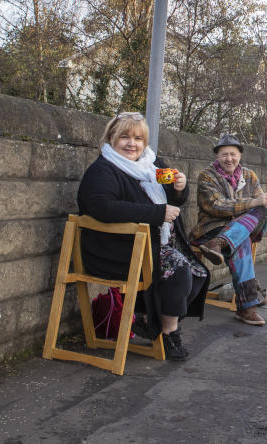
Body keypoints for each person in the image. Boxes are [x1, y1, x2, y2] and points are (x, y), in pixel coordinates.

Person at [77, 112, 208, 361]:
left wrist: (180, 188)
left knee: (196, 271)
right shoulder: (103, 170)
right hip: (114, 250)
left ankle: (149, 319)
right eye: (124, 137)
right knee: (179, 268)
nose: (132, 143)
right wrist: (157, 214)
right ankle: (168, 333)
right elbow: (102, 207)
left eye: (138, 138)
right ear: (111, 138)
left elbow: (172, 197)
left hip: (148, 245)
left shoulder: (152, 163)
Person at [193, 134, 267, 326]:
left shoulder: (249, 176)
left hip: (240, 229)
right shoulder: (206, 176)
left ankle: (221, 243)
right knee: (242, 244)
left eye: (233, 154)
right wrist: (250, 203)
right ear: (217, 156)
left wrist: (261, 202)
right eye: (224, 154)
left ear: (240, 156)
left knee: (262, 210)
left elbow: (259, 205)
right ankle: (247, 308)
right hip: (212, 228)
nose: (229, 159)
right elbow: (216, 206)